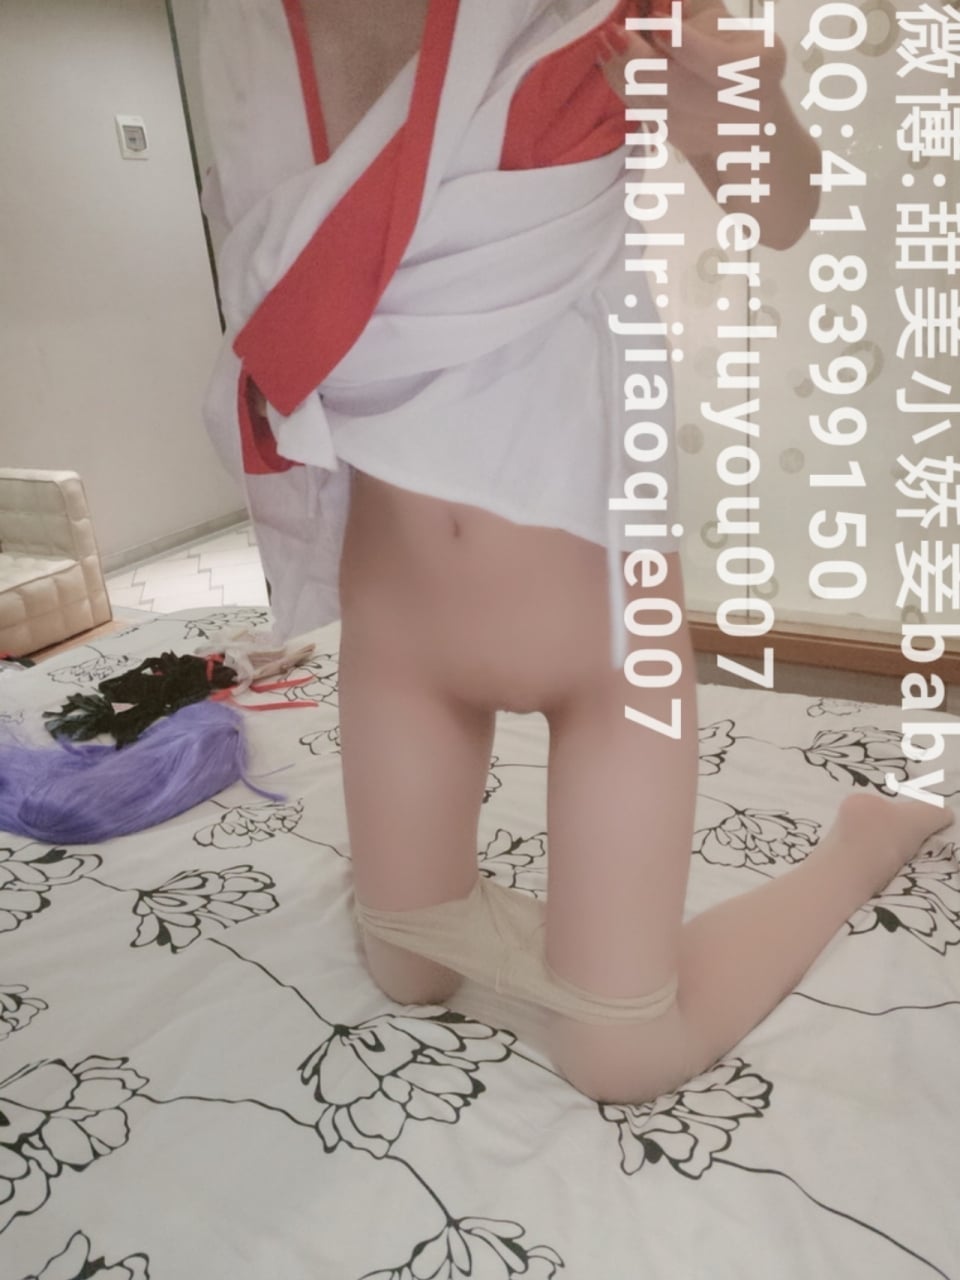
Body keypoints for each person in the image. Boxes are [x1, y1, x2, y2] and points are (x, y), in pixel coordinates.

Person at [199, 0, 953, 1105]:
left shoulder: (595, 12)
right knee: (409, 968)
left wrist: (749, 113)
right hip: (399, 632)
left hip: (604, 638)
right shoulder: (244, 30)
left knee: (620, 1056)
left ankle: (861, 842)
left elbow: (785, 208)